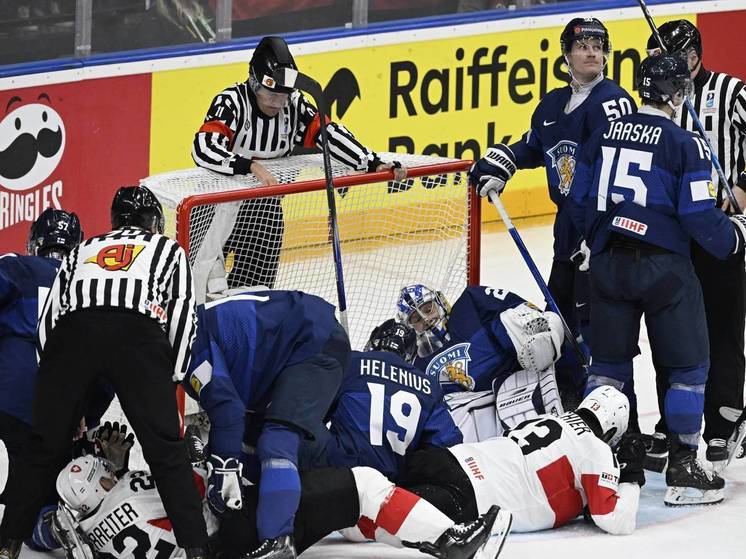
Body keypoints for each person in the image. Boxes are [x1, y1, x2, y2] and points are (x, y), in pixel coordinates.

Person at [567, 54, 746, 505]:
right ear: (678, 93)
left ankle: (610, 464)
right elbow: (698, 216)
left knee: (607, 369)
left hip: (607, 265)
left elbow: (579, 200)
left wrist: (596, 242)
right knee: (688, 368)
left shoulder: (603, 133)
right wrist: (735, 237)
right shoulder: (685, 143)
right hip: (664, 269)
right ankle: (684, 468)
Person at [0, 186, 211, 559]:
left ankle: (6, 546)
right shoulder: (167, 248)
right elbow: (182, 315)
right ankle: (196, 550)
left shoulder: (82, 250)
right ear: (153, 223)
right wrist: (172, 377)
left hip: (72, 338)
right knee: (166, 451)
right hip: (137, 336)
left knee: (41, 447)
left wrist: (60, 393)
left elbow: (49, 322)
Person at [468, 17, 636, 410]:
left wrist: (603, 233)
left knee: (602, 337)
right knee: (558, 326)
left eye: (598, 46)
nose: (592, 52)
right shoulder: (551, 105)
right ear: (566, 55)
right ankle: (570, 406)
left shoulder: (613, 102)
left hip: (600, 235)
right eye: (583, 46)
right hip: (567, 234)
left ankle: (624, 423)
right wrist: (506, 159)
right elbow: (535, 145)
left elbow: (617, 172)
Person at [192, 35, 406, 290]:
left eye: (283, 95)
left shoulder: (293, 105)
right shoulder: (231, 102)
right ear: (254, 82)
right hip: (214, 207)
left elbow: (329, 134)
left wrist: (371, 162)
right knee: (200, 286)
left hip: (263, 209)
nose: (277, 102)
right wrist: (250, 166)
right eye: (270, 94)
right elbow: (203, 148)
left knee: (256, 291)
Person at [642, 20, 746, 473]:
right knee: (671, 329)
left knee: (722, 327)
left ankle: (725, 420)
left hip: (719, 230)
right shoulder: (657, 104)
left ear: (694, 54)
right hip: (672, 234)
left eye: (673, 56)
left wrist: (742, 187)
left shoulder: (731, 91)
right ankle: (672, 421)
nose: (666, 65)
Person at [182, 288, 351, 559]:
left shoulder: (186, 344)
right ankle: (278, 516)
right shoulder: (180, 334)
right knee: (251, 445)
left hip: (313, 342)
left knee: (277, 441)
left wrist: (222, 465)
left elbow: (229, 413)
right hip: (286, 357)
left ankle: (278, 542)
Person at [0, 209, 84, 553]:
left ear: (35, 243)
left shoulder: (15, 265)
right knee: (43, 491)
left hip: (8, 398)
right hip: (60, 411)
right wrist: (85, 413)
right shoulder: (89, 281)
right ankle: (50, 523)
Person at [308, 319, 463, 482]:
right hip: (392, 487)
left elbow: (307, 410)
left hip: (339, 475)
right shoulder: (429, 385)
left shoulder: (351, 362)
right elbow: (449, 444)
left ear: (374, 342)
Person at [395, 284, 564, 416]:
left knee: (512, 320)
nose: (426, 319)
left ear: (439, 301)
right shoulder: (415, 363)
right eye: (415, 319)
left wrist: (537, 325)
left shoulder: (469, 303)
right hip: (469, 414)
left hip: (516, 383)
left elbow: (522, 309)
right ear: (409, 326)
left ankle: (556, 374)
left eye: (427, 309)